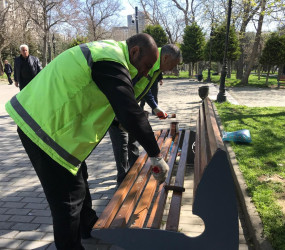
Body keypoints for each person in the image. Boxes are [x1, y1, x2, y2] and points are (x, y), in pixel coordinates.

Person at [5, 34, 170, 249]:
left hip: (56, 129)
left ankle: (88, 225)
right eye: (147, 65)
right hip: (44, 130)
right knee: (67, 201)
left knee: (79, 181)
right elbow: (129, 110)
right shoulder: (109, 59)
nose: (147, 72)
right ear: (135, 51)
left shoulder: (110, 54)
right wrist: (156, 156)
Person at [109, 44, 181, 186]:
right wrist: (156, 157)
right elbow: (121, 90)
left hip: (130, 110)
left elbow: (144, 87)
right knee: (121, 145)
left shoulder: (155, 67)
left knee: (133, 143)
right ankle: (122, 183)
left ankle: (134, 175)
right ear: (165, 58)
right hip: (116, 111)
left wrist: (155, 107)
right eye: (173, 65)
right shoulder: (147, 60)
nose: (173, 69)